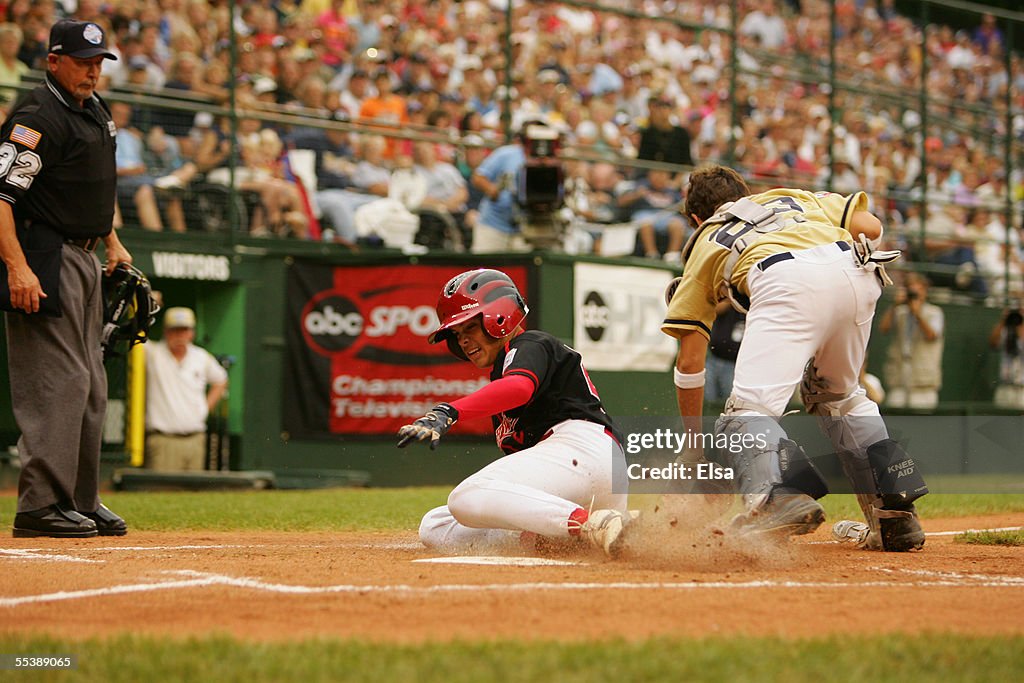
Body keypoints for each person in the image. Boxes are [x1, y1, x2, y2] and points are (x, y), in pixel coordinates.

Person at [661, 164, 927, 552]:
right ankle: (895, 517)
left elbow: (689, 363)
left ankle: (775, 497)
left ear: (696, 217)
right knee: (839, 397)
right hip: (855, 269)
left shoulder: (707, 236)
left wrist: (694, 445)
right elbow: (870, 227)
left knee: (745, 413)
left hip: (784, 278)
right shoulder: (791, 197)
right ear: (746, 193)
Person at [397, 269, 631, 557]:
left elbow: (520, 388)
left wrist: (450, 411)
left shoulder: (529, 344)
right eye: (457, 334)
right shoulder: (504, 369)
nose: (463, 341)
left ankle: (590, 524)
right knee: (436, 525)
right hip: (587, 472)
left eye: (470, 327)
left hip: (581, 450)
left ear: (500, 314)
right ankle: (578, 534)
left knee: (466, 496)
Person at [3, 20, 132, 538]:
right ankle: (39, 505)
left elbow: (95, 186)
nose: (93, 71)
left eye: (99, 62)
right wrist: (16, 267)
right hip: (43, 254)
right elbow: (3, 197)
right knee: (61, 382)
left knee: (92, 385)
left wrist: (112, 241)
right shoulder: (38, 114)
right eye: (82, 61)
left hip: (82, 255)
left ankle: (79, 499)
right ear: (53, 60)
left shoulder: (93, 110)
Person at [144, 307, 228, 471]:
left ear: (192, 332)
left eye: (184, 330)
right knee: (161, 493)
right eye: (174, 330)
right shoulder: (153, 353)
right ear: (166, 331)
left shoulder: (201, 357)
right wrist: (144, 305)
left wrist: (205, 408)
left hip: (195, 439)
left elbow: (221, 379)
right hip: (163, 440)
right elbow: (136, 334)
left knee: (192, 494)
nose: (180, 335)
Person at [877, 273, 945, 410]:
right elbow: (883, 328)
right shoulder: (900, 312)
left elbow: (931, 335)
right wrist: (895, 305)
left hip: (923, 380)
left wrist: (917, 314)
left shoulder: (934, 312)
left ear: (925, 291)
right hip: (899, 376)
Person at [989, 306, 1024, 410]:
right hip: (1005, 386)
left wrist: (1021, 322)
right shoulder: (1006, 331)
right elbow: (993, 343)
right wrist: (1004, 320)